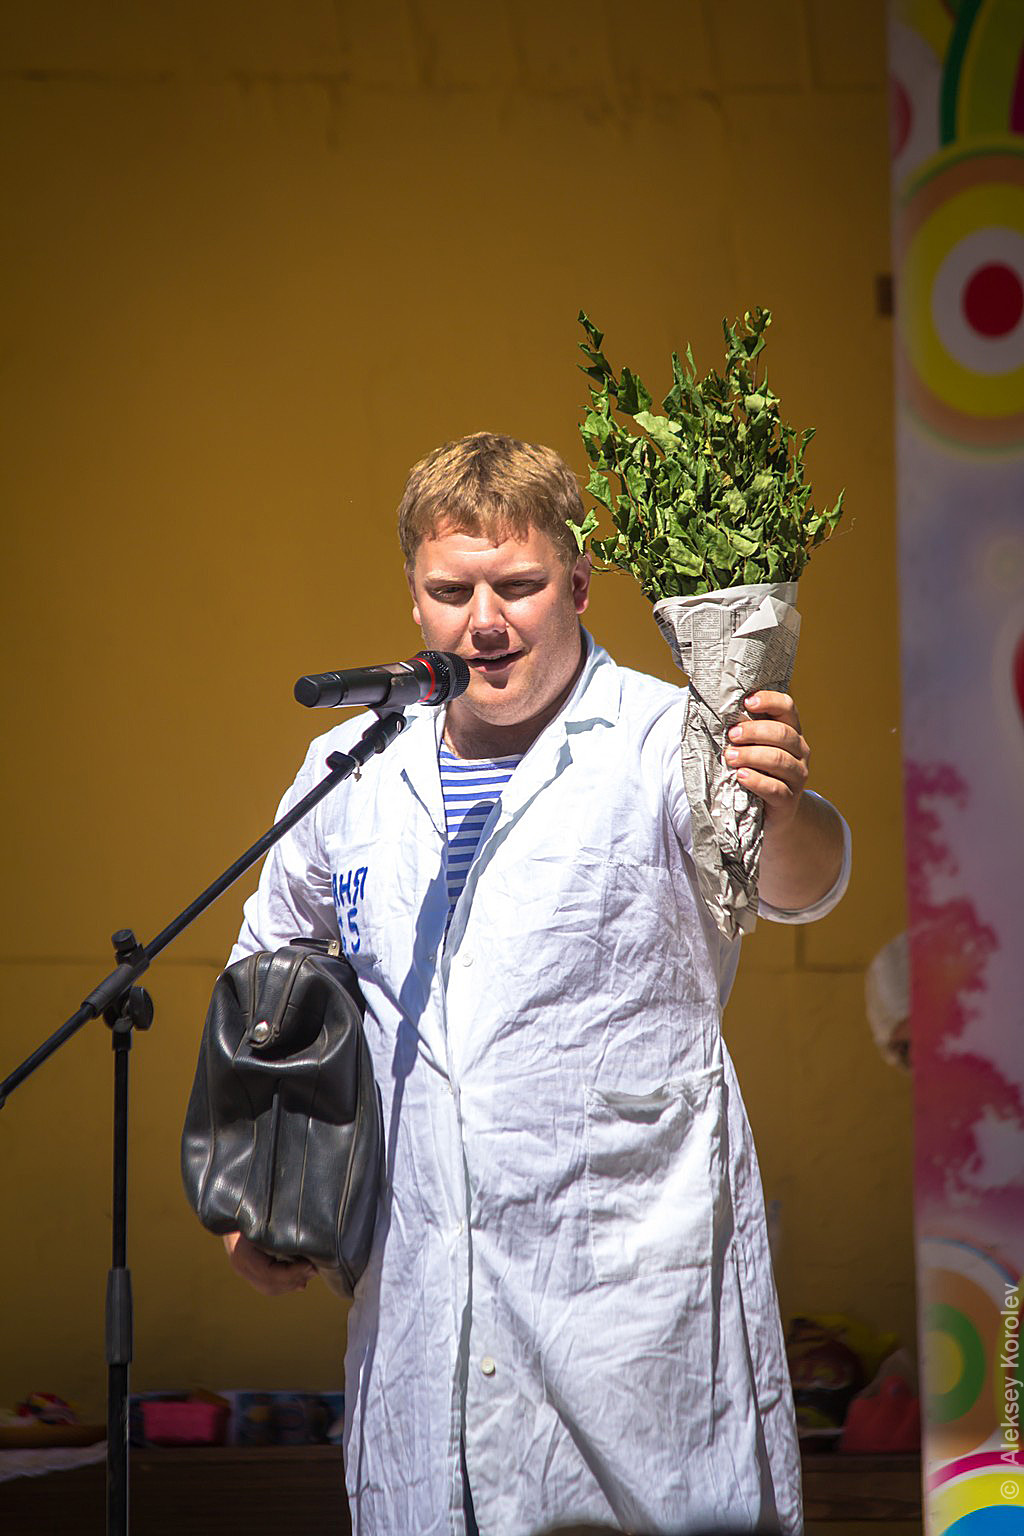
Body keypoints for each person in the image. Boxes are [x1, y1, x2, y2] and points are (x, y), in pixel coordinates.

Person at [220, 433, 850, 1535]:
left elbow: (803, 886)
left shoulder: (665, 738)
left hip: (627, 1318)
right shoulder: (350, 767)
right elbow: (269, 976)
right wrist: (257, 1190)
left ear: (580, 585)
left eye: (517, 586)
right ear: (412, 596)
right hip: (422, 1311)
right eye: (450, 591)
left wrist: (784, 810)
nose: (484, 621)